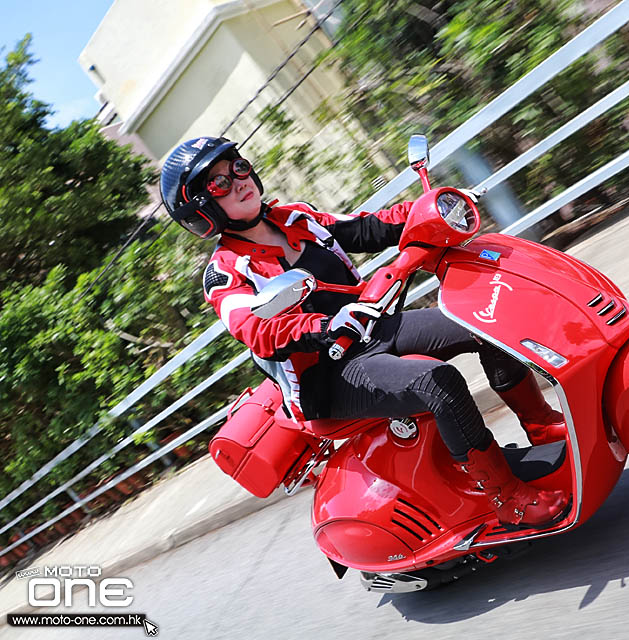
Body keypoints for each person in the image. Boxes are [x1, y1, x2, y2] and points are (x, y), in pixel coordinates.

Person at [159, 136, 569, 527]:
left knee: (482, 320)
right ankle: (506, 497)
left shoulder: (296, 217)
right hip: (326, 375)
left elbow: (365, 228)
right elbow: (255, 329)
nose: (239, 181)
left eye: (239, 167)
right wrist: (323, 325)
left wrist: (427, 209)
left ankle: (541, 424)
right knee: (437, 383)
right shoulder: (226, 271)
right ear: (200, 208)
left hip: (372, 331)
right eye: (219, 182)